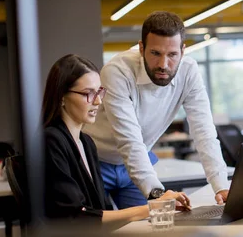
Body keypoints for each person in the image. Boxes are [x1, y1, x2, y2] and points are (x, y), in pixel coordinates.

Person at [85, 12, 230, 209]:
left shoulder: (189, 71)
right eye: (155, 53)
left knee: (145, 230)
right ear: (141, 48)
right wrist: (157, 194)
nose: (163, 64)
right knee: (98, 232)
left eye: (172, 55)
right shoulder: (117, 71)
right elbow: (129, 140)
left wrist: (221, 186)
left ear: (183, 51)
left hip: (137, 163)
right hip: (95, 162)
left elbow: (204, 131)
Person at [42, 54, 190, 225]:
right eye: (88, 93)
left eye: (99, 92)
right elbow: (77, 216)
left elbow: (101, 208)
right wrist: (153, 207)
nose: (97, 101)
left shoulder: (86, 143)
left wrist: (155, 206)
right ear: (61, 96)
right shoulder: (51, 141)